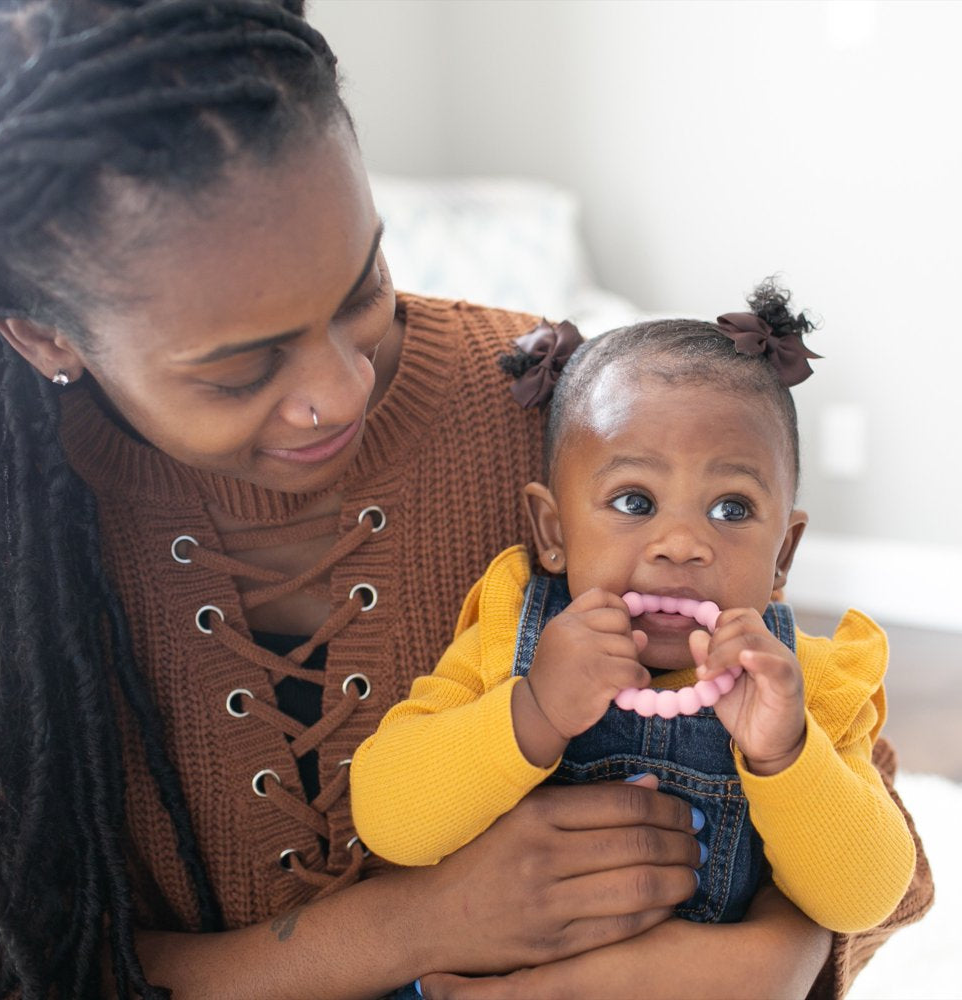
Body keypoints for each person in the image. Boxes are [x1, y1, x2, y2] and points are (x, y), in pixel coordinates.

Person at [0, 3, 930, 999]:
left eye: (360, 289)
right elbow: (26, 959)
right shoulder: (0, 557)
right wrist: (415, 926)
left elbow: (875, 852)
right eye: (239, 369)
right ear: (44, 338)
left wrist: (768, 958)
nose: (336, 389)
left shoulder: (560, 409)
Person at [350, 284, 917, 947]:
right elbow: (386, 820)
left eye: (731, 508)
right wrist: (533, 712)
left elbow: (865, 900)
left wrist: (785, 753)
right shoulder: (511, 636)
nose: (680, 544)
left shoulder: (806, 681)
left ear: (782, 554)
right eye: (634, 501)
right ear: (553, 531)